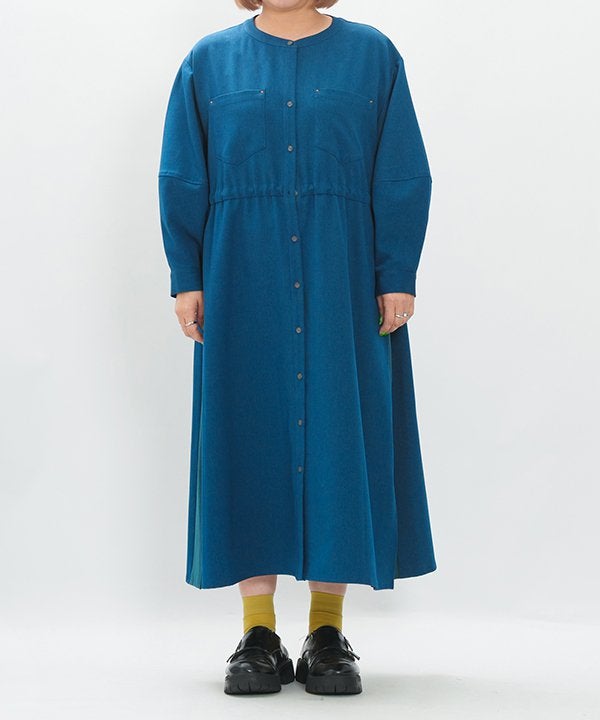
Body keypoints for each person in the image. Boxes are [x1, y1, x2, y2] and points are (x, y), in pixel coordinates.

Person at [158, 0, 436, 696]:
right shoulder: (208, 61)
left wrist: (396, 271)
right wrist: (187, 275)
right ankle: (257, 634)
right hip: (240, 273)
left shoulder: (373, 55)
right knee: (248, 433)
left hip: (344, 273)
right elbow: (182, 174)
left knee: (339, 437)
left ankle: (326, 633)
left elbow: (401, 171)